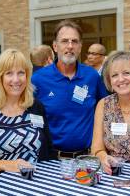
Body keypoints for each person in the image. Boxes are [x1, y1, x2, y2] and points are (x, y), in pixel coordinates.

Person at [0, 48, 57, 183]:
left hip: (38, 183)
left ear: (27, 76)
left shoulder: (36, 107)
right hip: (2, 186)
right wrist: (6, 164)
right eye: (9, 73)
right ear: (0, 77)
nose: (16, 80)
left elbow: (49, 149)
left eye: (21, 73)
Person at [31, 20, 108, 158]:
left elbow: (106, 109)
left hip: (87, 158)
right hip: (51, 160)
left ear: (80, 46)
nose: (70, 46)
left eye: (75, 41)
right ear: (55, 46)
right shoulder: (38, 79)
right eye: (65, 41)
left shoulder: (92, 76)